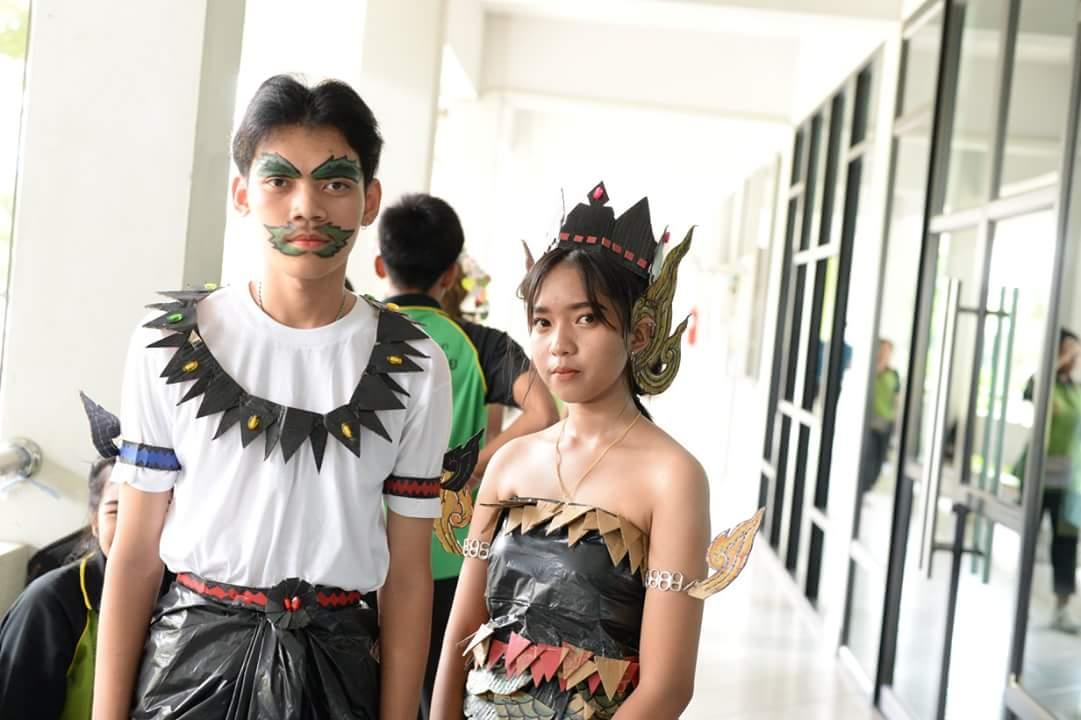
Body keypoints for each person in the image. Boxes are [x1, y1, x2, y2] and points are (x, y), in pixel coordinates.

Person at [92, 75, 452, 720]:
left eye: (335, 182)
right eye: (280, 180)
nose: (306, 207)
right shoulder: (168, 344)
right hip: (187, 668)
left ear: (369, 200)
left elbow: (406, 576)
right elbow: (136, 554)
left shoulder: (417, 364)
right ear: (242, 194)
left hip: (339, 672)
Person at [431, 182, 762, 719]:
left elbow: (667, 687)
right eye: (543, 321)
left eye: (585, 318)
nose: (559, 343)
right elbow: (458, 639)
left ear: (640, 332)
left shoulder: (673, 477)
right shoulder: (510, 465)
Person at [376, 193, 558, 719]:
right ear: (451, 273)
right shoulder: (480, 343)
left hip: (365, 547)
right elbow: (543, 412)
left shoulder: (358, 332)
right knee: (437, 692)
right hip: (450, 550)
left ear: (381, 265)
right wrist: (473, 464)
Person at [0, 393, 121, 719]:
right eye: (116, 511)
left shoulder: (184, 598)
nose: (132, 529)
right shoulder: (51, 603)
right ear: (94, 521)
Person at [1020, 329, 1081, 633]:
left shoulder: (1075, 390)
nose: (1073, 357)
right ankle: (1021, 602)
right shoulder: (1044, 384)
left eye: (1076, 352)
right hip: (1040, 479)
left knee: (1066, 545)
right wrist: (1056, 363)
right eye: (1068, 350)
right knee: (1029, 539)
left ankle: (1062, 609)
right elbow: (1030, 390)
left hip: (1069, 484)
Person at [860, 338, 901, 493]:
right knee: (868, 456)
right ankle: (863, 488)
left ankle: (869, 487)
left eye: (888, 351)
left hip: (886, 422)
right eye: (882, 350)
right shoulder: (870, 371)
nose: (884, 354)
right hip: (870, 422)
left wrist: (896, 420)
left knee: (880, 458)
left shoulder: (894, 375)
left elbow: (897, 399)